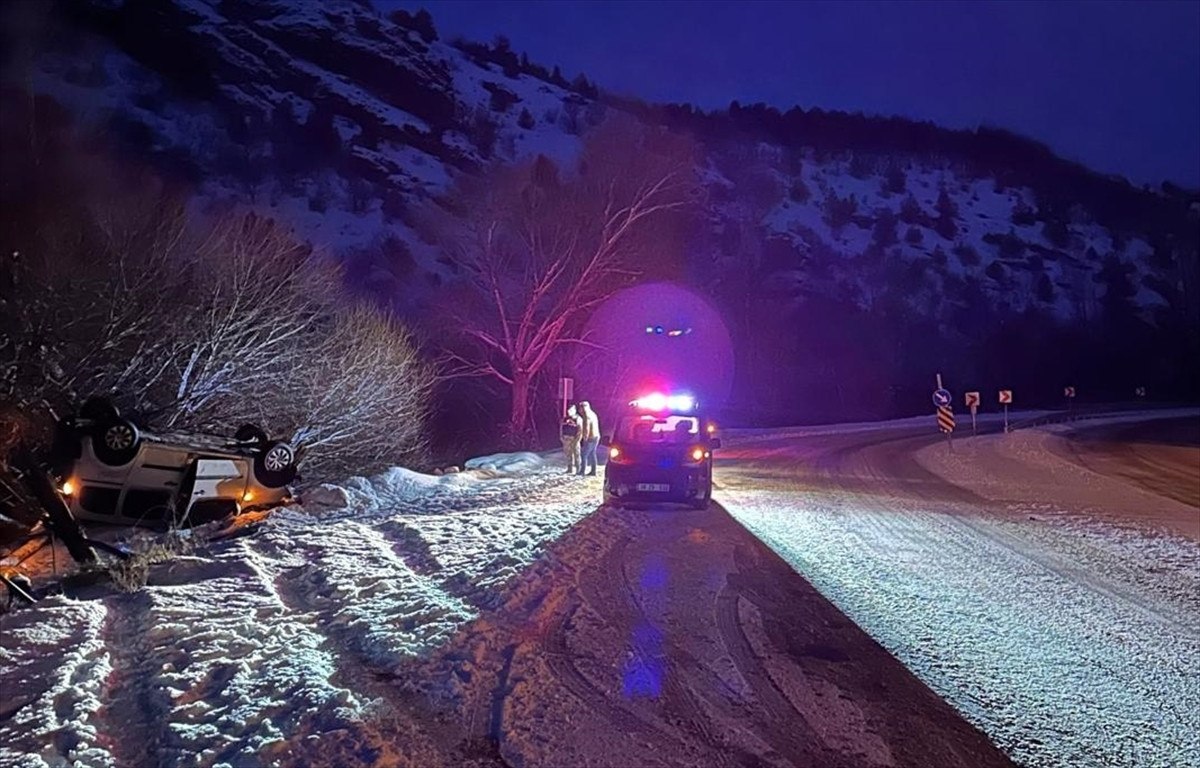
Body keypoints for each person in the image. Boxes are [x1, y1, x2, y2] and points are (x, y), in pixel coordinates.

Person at [578, 400, 601, 476]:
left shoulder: (586, 416)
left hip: (590, 438)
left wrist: (585, 437)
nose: (579, 410)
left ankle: (582, 471)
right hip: (596, 436)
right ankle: (593, 471)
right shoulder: (593, 414)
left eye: (580, 408)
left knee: (583, 455)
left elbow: (586, 427)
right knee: (592, 454)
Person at [559, 404, 582, 475]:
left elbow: (580, 430)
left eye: (571, 410)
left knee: (576, 454)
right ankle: (570, 468)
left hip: (574, 439)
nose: (569, 412)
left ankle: (578, 469)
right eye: (568, 410)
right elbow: (561, 428)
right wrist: (561, 437)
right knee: (568, 454)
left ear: (574, 410)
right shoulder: (565, 419)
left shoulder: (578, 419)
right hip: (566, 438)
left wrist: (577, 439)